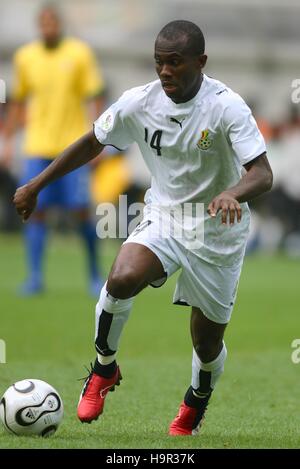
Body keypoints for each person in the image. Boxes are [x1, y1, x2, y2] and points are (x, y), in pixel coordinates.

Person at [13, 20, 273, 435]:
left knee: (206, 345)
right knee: (121, 278)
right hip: (165, 218)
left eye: (175, 63)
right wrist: (35, 185)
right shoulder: (141, 102)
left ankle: (195, 401)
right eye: (158, 63)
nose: (165, 71)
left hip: (218, 233)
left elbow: (262, 173)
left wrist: (233, 194)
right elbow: (92, 141)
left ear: (200, 62)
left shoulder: (227, 106)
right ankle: (103, 369)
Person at [2, 5, 105, 295]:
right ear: (39, 26)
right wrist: (9, 142)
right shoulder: (25, 57)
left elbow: (94, 97)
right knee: (34, 211)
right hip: (37, 147)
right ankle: (34, 278)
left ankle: (95, 277)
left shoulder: (79, 54)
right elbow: (19, 103)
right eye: (43, 23)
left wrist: (101, 140)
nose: (48, 28)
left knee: (82, 212)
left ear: (60, 24)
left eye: (52, 22)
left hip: (73, 149)